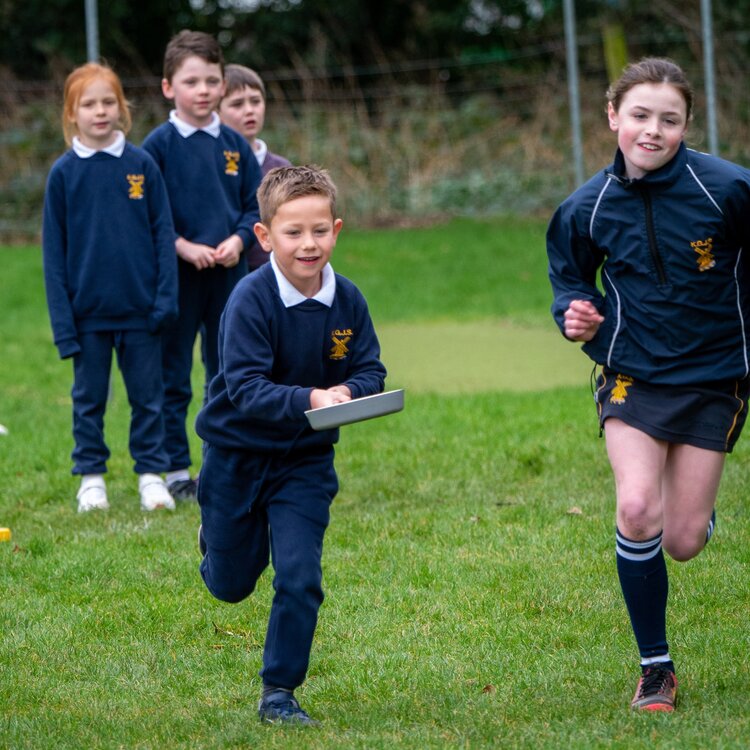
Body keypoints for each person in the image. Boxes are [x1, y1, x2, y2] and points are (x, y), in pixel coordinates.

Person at [547, 57, 750, 712]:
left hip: (717, 377)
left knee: (683, 541)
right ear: (613, 118)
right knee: (636, 508)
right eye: (639, 115)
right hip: (631, 374)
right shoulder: (585, 206)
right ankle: (655, 668)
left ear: (688, 124)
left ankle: (695, 512)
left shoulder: (728, 189)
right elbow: (571, 282)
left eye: (669, 118)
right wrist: (573, 313)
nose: (653, 130)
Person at [195, 165, 387, 725]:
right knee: (230, 586)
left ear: (337, 229)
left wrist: (350, 391)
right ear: (264, 236)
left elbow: (370, 368)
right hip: (236, 455)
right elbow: (247, 389)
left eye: (320, 230)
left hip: (304, 461)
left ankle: (279, 691)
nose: (309, 244)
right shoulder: (250, 301)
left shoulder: (348, 301)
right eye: (293, 232)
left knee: (300, 577)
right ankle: (216, 536)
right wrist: (312, 397)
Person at [42, 62, 178, 513]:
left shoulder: (142, 166)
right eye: (89, 104)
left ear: (122, 108)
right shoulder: (63, 175)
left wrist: (164, 303)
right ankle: (92, 479)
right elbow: (53, 258)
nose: (100, 111)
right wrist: (65, 325)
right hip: (87, 318)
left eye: (108, 102)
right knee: (88, 401)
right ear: (71, 114)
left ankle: (151, 476)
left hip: (142, 313)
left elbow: (163, 236)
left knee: (148, 399)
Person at [142, 31, 263, 502]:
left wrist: (236, 240)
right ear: (169, 87)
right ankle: (175, 468)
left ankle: (221, 462)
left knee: (227, 372)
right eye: (191, 81)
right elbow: (149, 214)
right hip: (176, 281)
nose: (203, 90)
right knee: (174, 375)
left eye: (212, 80)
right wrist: (181, 246)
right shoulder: (156, 147)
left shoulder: (235, 145)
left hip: (229, 281)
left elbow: (255, 207)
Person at [218, 64, 292, 271]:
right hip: (224, 271)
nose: (249, 110)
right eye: (237, 104)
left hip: (271, 272)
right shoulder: (212, 167)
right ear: (217, 112)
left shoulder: (281, 169)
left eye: (255, 101)